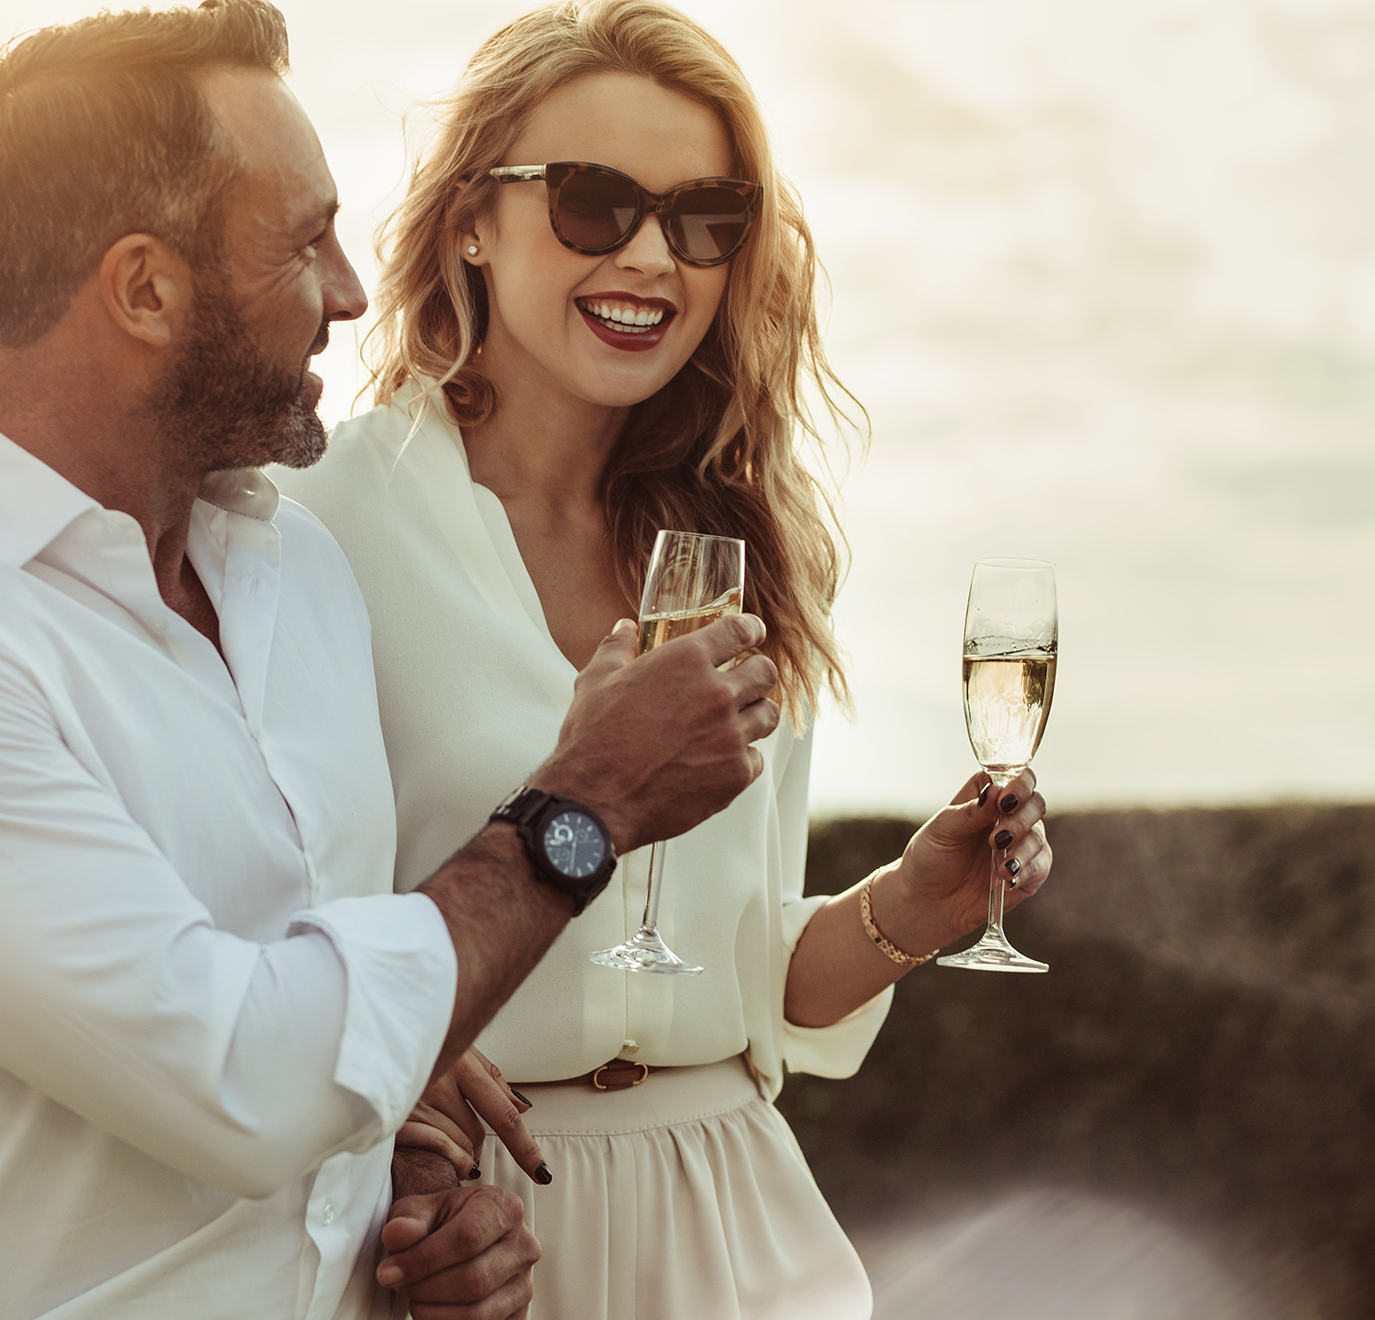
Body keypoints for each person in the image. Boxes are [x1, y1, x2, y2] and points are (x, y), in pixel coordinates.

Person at [0, 2, 784, 1317]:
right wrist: (587, 806)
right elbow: (247, 1082)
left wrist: (412, 1183)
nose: (347, 288)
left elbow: (328, 1010)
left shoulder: (292, 574)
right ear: (145, 289)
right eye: (301, 243)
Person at [280, 2, 1056, 1317]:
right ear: (472, 216)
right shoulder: (320, 527)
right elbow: (259, 947)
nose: (653, 254)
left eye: (705, 217)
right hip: (469, 1228)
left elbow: (738, 988)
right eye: (595, 203)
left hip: (739, 1217)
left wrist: (906, 914)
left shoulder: (735, 544)